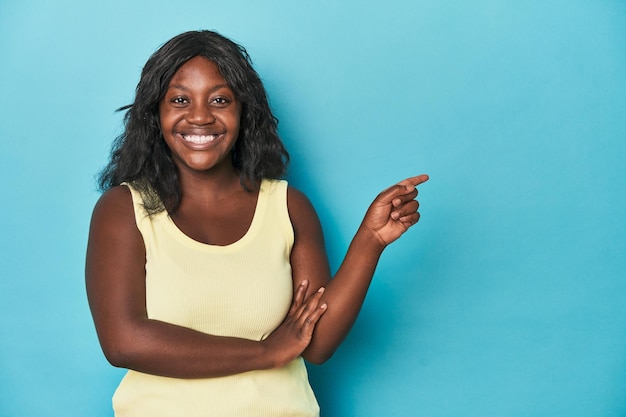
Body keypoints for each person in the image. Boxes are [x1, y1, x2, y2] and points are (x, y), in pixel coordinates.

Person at [85, 30, 429, 417]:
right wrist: (266, 352)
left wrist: (370, 241)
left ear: (244, 111)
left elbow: (315, 344)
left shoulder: (287, 207)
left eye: (220, 100)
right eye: (180, 99)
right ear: (155, 114)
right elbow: (124, 342)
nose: (199, 116)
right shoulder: (124, 209)